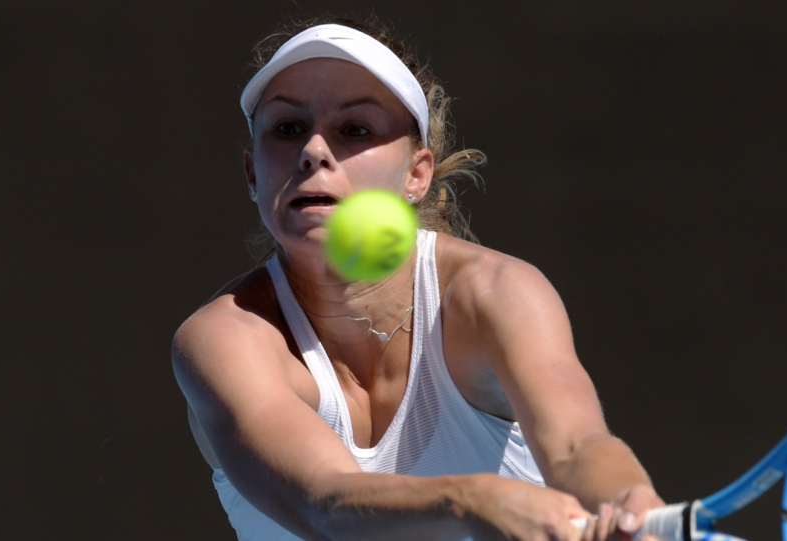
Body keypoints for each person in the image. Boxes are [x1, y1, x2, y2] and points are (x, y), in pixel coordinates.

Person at [173, 17, 665, 541]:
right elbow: (327, 503)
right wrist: (473, 500)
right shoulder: (224, 340)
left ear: (417, 175)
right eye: (288, 128)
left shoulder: (497, 294)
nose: (313, 151)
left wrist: (628, 499)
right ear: (253, 174)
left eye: (354, 130)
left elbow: (576, 447)